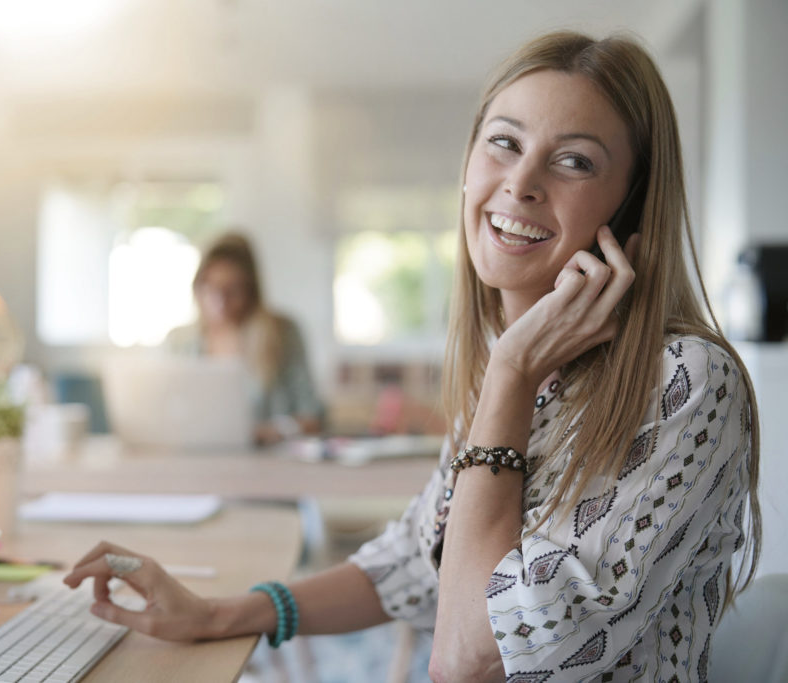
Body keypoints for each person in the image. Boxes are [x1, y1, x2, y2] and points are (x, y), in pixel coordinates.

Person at [64, 31, 761, 681]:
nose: (520, 183)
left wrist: (510, 378)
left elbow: (467, 653)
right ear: (466, 170)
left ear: (631, 214)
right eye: (503, 143)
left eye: (574, 160)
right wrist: (219, 612)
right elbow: (413, 560)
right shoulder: (515, 378)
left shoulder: (685, 382)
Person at [164, 231, 323, 445]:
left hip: (269, 466)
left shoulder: (283, 333)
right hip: (198, 462)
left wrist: (274, 430)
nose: (220, 300)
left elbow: (312, 416)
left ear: (251, 291)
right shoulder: (179, 342)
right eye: (210, 288)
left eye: (232, 290)